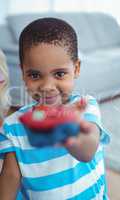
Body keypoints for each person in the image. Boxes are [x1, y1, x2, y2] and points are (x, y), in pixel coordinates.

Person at [0, 18, 110, 199]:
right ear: (23, 73)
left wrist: (62, 125)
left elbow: (87, 151)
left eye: (59, 74)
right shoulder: (13, 126)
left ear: (76, 69)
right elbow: (10, 176)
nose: (47, 86)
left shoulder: (84, 106)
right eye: (35, 75)